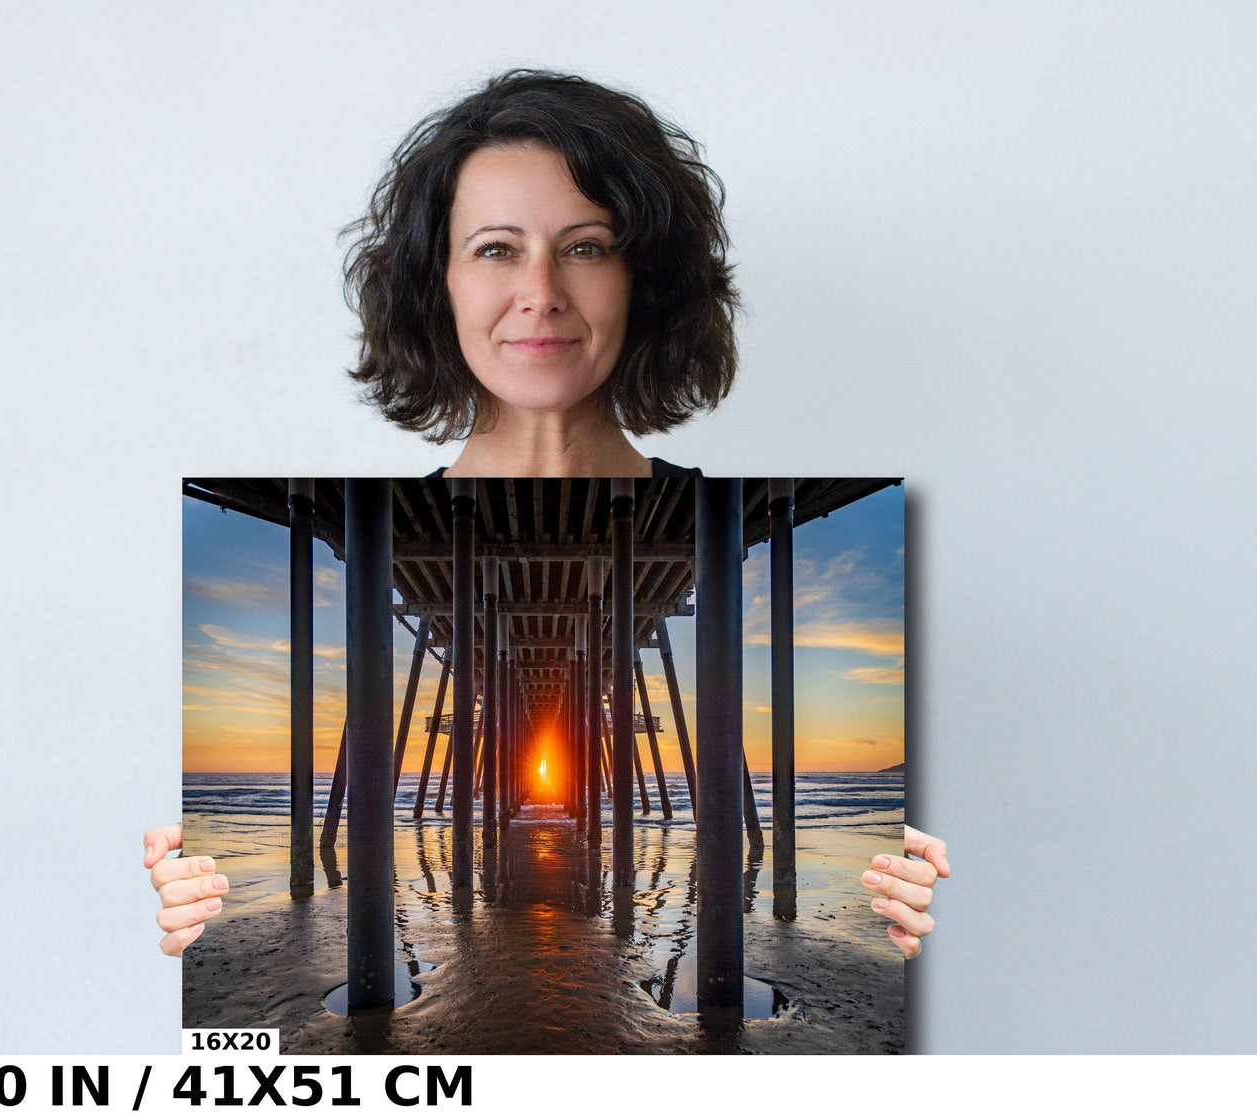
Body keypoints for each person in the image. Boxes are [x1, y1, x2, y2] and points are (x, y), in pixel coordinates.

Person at [149, 69, 949, 958]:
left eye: (586, 246)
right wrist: (177, 900)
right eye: (495, 248)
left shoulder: (717, 503)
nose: (541, 292)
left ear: (644, 281)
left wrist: (926, 898)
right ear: (437, 282)